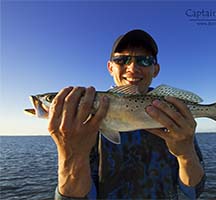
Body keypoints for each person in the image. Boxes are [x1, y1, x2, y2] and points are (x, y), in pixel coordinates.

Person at [51, 29, 206, 200]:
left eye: (145, 60)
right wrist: (71, 154)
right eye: (121, 60)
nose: (132, 68)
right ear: (110, 67)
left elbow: (193, 192)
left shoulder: (173, 115)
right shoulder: (84, 123)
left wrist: (186, 154)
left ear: (156, 69)